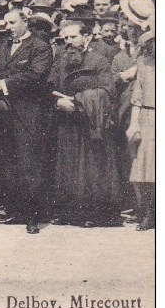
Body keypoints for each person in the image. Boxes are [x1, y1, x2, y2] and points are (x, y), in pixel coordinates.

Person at [0, 10, 53, 234]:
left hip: (28, 115)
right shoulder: (2, 47)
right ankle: (15, 210)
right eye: (6, 23)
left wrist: (2, 85)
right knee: (8, 164)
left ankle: (33, 216)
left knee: (29, 165)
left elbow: (36, 75)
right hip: (3, 114)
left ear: (25, 23)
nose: (8, 27)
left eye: (13, 22)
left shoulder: (40, 47)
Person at [47, 20, 120, 227]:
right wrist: (58, 101)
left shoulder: (99, 61)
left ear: (86, 37)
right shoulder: (60, 61)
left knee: (92, 166)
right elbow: (48, 87)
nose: (68, 42)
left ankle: (95, 213)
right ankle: (69, 212)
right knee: (67, 165)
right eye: (65, 38)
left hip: (91, 123)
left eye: (73, 37)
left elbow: (108, 91)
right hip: (66, 120)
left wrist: (82, 100)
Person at [126, 29, 154, 230]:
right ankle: (144, 211)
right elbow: (137, 95)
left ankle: (151, 214)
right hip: (146, 117)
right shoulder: (143, 64)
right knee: (140, 171)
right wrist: (134, 123)